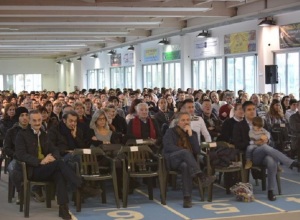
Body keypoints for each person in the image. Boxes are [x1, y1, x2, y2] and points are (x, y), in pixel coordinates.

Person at [15, 110, 83, 220]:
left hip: (47, 168)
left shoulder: (43, 134)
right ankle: (79, 184)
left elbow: (54, 149)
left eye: (39, 120)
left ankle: (63, 209)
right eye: (34, 120)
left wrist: (52, 157)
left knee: (59, 174)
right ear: (29, 121)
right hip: (33, 170)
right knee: (59, 164)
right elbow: (20, 155)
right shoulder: (21, 135)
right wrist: (39, 161)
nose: (37, 123)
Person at [233, 101, 300, 201]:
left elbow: (272, 141)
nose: (252, 112)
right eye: (249, 110)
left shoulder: (262, 123)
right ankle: (290, 162)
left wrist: (267, 140)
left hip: (264, 154)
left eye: (254, 109)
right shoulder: (239, 126)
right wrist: (255, 142)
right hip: (251, 156)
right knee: (264, 147)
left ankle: (271, 191)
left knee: (271, 160)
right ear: (244, 112)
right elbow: (237, 144)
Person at [163, 112, 216, 208]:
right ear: (178, 122)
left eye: (188, 120)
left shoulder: (193, 133)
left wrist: (191, 135)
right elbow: (168, 147)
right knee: (186, 152)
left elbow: (197, 150)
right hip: (172, 159)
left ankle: (187, 198)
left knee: (185, 166)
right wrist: (183, 152)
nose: (186, 122)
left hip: (186, 162)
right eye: (183, 120)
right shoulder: (170, 131)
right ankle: (200, 176)